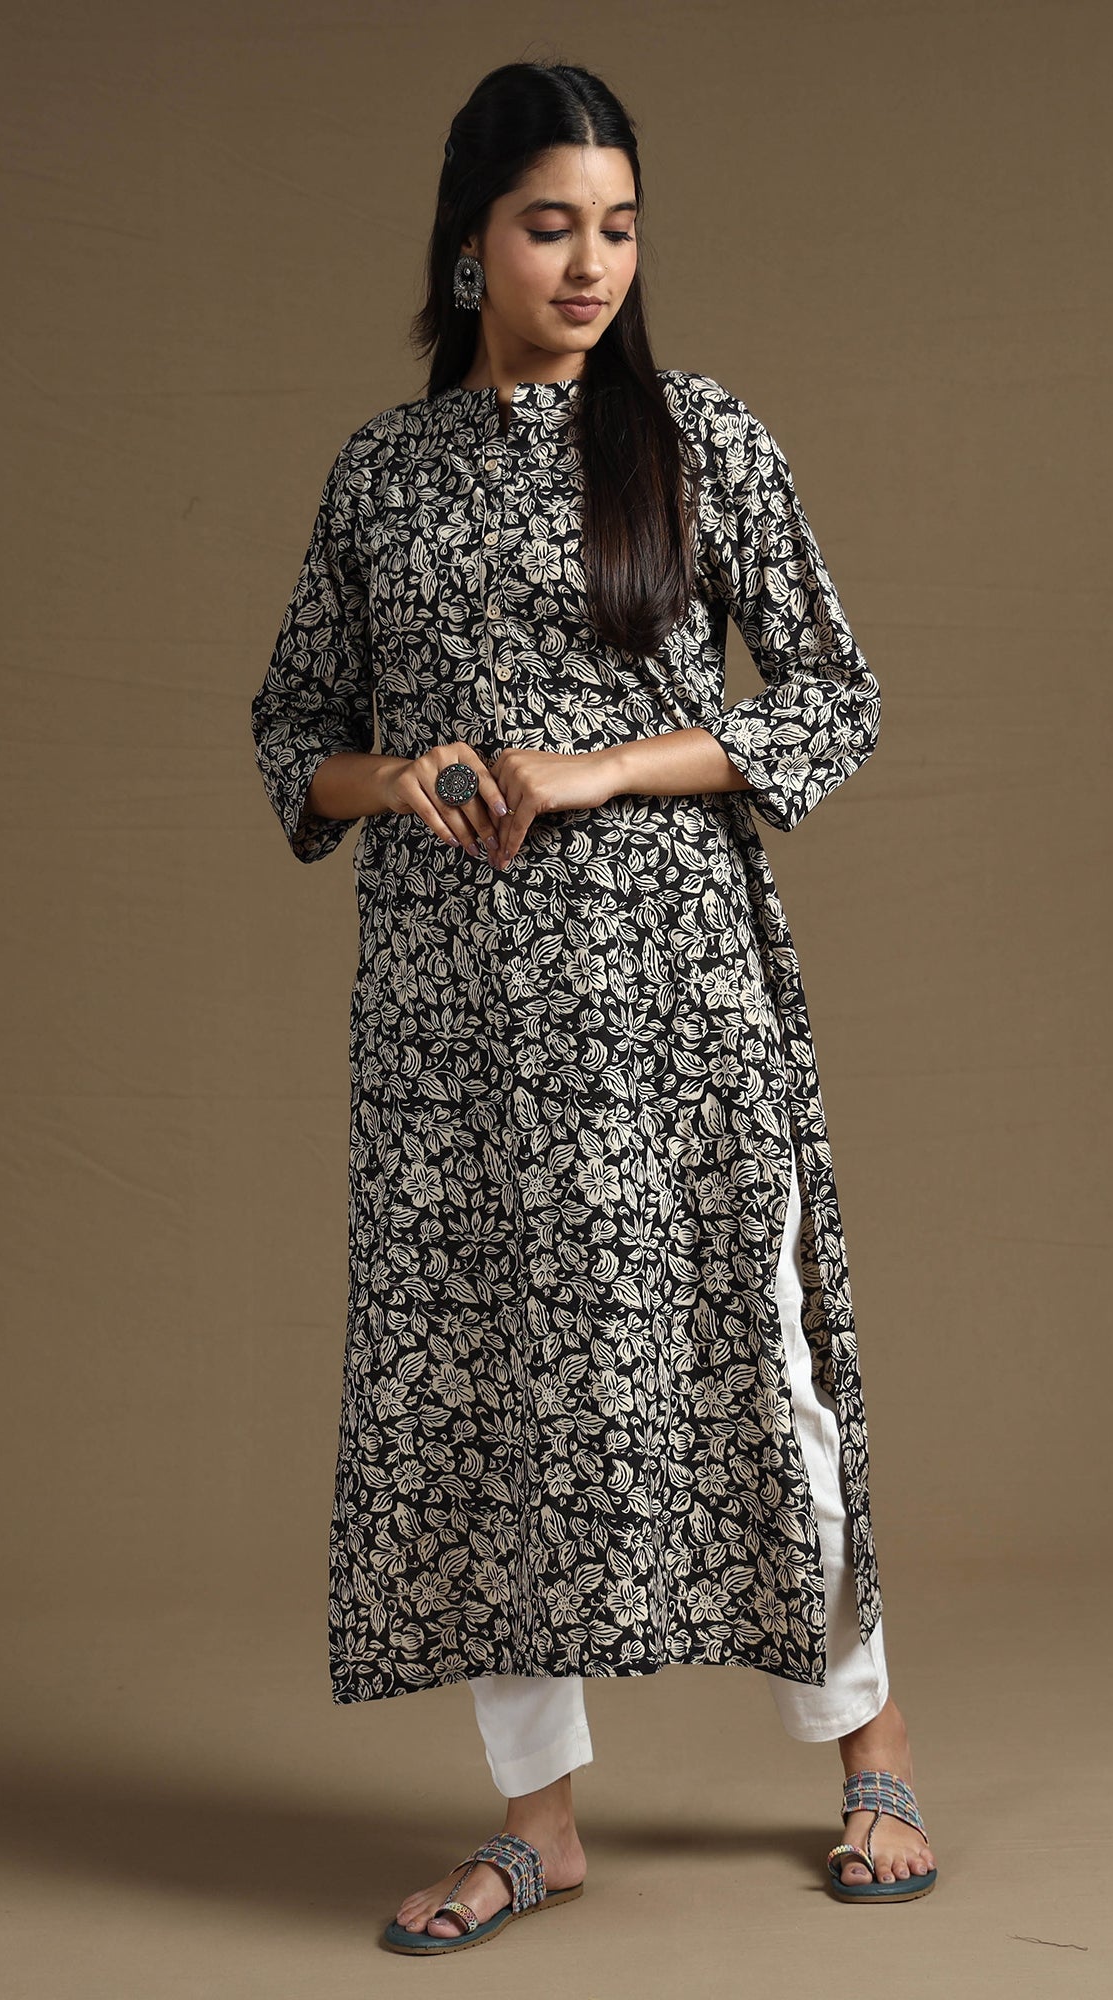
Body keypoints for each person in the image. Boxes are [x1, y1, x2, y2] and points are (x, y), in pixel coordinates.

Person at [251, 61, 939, 1953]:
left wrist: (599, 770)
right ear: (468, 242)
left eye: (619, 228)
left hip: (671, 992)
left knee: (756, 1356)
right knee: (488, 1386)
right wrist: (398, 778)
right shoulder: (382, 477)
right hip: (454, 1012)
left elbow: (833, 696)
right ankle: (536, 1824)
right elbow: (292, 732)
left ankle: (872, 1751)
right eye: (550, 225)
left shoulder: (697, 440)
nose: (589, 264)